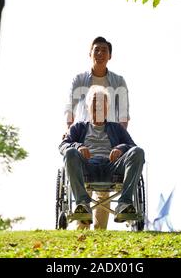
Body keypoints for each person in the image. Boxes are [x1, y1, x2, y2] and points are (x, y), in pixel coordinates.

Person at [63, 36, 131, 230]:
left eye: (104, 50)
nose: (100, 54)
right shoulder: (80, 80)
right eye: (96, 50)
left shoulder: (118, 81)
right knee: (84, 181)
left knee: (105, 188)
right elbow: (70, 107)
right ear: (90, 53)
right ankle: (81, 229)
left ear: (110, 55)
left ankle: (100, 231)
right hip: (84, 133)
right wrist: (69, 131)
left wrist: (119, 140)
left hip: (109, 134)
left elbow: (124, 113)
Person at [59, 86, 145, 226]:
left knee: (138, 152)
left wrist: (120, 148)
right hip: (87, 166)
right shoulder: (78, 128)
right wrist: (78, 146)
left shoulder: (117, 128)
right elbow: (63, 145)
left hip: (112, 167)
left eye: (102, 102)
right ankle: (82, 204)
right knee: (70, 152)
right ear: (88, 107)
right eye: (94, 101)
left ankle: (124, 204)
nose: (98, 105)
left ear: (107, 107)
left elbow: (133, 147)